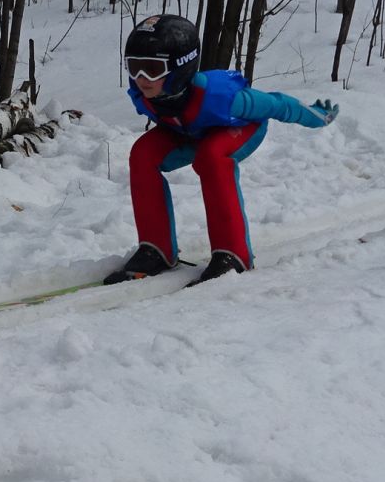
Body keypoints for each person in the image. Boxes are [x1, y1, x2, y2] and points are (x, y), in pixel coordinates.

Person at [108, 14, 338, 286]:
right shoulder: (145, 95)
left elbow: (277, 104)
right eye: (134, 67)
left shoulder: (221, 99)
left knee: (212, 156)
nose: (141, 78)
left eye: (152, 69)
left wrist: (317, 115)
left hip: (239, 128)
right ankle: (156, 249)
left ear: (180, 67)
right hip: (189, 131)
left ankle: (233, 256)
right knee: (143, 152)